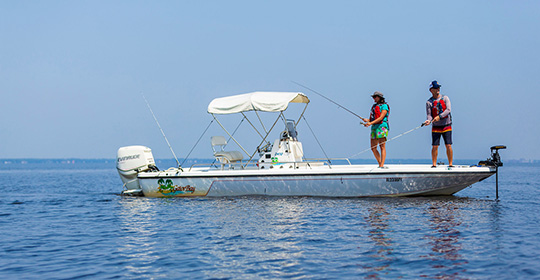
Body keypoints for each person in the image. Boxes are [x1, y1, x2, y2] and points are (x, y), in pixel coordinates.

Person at [423, 80, 453, 167]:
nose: (437, 89)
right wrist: (428, 120)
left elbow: (448, 110)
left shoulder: (445, 98)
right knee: (435, 146)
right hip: (436, 127)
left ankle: (450, 164)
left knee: (448, 145)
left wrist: (439, 116)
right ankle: (434, 164)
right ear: (431, 90)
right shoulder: (429, 102)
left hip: (446, 125)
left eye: (438, 87)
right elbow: (429, 115)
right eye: (435, 88)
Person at [362, 91, 389, 168]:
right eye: (373, 97)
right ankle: (380, 163)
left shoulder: (384, 106)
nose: (373, 99)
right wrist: (367, 121)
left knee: (382, 146)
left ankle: (382, 165)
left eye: (375, 97)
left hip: (382, 127)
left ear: (379, 97)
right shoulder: (374, 106)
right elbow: (372, 119)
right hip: (374, 127)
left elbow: (381, 117)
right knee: (373, 148)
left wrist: (370, 123)